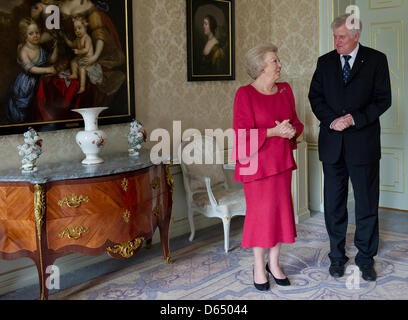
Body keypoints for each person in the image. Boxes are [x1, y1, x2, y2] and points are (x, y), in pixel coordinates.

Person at [308, 14, 392, 281]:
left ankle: (366, 259)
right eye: (334, 36)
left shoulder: (377, 60)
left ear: (356, 36)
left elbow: (383, 100)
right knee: (334, 206)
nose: (337, 42)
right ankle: (336, 258)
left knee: (366, 205)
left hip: (363, 145)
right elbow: (315, 97)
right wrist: (332, 120)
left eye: (341, 37)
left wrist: (354, 118)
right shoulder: (325, 62)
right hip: (332, 144)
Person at [232, 44, 304, 291]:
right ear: (261, 67)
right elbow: (241, 135)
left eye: (278, 60)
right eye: (275, 61)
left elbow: (295, 122)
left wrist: (293, 130)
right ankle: (258, 266)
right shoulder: (245, 94)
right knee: (260, 217)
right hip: (256, 166)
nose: (280, 65)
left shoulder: (285, 90)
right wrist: (273, 131)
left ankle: (274, 264)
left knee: (279, 214)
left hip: (280, 163)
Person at [7, 18, 57, 123]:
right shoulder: (24, 50)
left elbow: (50, 60)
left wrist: (56, 48)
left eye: (37, 32)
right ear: (25, 35)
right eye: (31, 33)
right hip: (26, 83)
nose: (35, 35)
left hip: (39, 81)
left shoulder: (40, 48)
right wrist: (48, 69)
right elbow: (30, 69)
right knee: (25, 108)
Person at [64, 17, 103, 94]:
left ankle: (82, 87)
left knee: (82, 68)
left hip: (88, 60)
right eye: (75, 29)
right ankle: (74, 74)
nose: (77, 31)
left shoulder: (87, 38)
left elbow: (86, 49)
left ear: (85, 28)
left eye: (79, 28)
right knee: (73, 62)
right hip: (81, 58)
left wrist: (78, 51)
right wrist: (65, 39)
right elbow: (72, 44)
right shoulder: (78, 39)